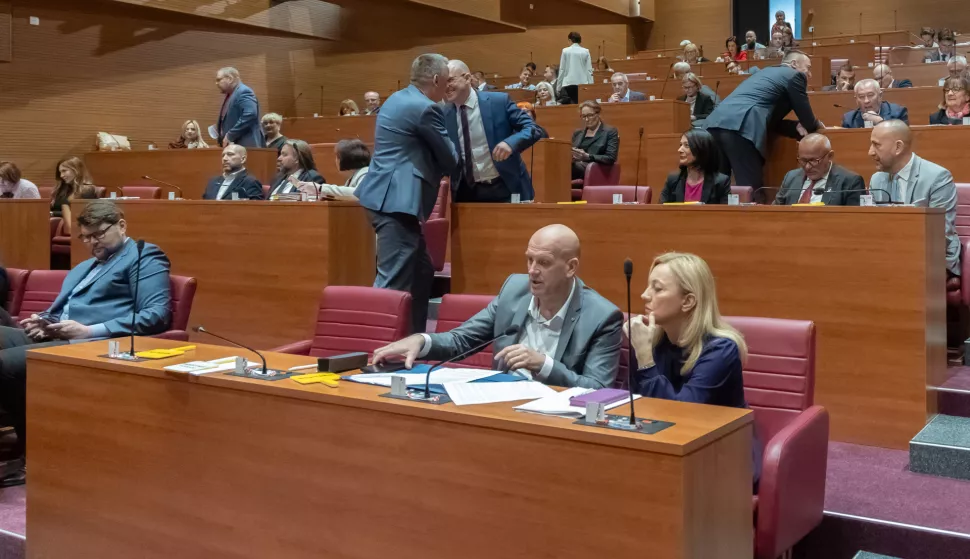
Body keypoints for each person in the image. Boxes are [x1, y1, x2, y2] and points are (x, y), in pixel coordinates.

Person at [0, 200, 172, 486]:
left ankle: (36, 448)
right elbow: (61, 309)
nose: (91, 242)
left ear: (121, 225)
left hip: (95, 343)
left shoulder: (143, 255)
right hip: (59, 335)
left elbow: (156, 315)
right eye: (85, 236)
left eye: (98, 234)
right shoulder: (84, 266)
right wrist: (43, 320)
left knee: (6, 365)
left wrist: (88, 331)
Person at [371, 224, 622, 389]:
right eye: (529, 259)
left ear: (571, 267)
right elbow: (462, 339)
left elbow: (598, 389)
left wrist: (543, 364)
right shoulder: (515, 290)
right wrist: (421, 341)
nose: (532, 271)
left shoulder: (602, 316)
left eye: (544, 262)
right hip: (501, 406)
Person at [624, 252, 760, 482]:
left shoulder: (722, 350)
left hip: (720, 452)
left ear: (688, 301)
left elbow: (682, 416)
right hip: (665, 445)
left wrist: (645, 358)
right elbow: (634, 403)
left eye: (657, 289)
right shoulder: (651, 340)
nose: (644, 295)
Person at [354, 53, 457, 334]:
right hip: (397, 202)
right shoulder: (426, 108)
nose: (448, 86)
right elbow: (451, 158)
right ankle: (370, 348)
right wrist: (449, 109)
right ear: (436, 79)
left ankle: (415, 341)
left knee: (422, 271)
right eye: (447, 80)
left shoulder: (398, 98)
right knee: (392, 281)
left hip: (386, 198)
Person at [706, 51, 821, 202]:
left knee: (719, 187)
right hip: (740, 127)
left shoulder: (765, 73)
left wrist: (793, 127)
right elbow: (808, 121)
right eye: (808, 67)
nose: (810, 74)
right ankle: (755, 224)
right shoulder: (794, 76)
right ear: (794, 64)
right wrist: (817, 125)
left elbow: (768, 118)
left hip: (713, 124)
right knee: (750, 190)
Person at [869, 120, 959, 277]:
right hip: (890, 256)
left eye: (876, 145)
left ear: (898, 147)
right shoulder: (877, 179)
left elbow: (940, 235)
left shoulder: (937, 177)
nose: (870, 152)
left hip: (935, 257)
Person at [443, 60, 540, 203]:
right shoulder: (444, 114)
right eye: (443, 82)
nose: (446, 86)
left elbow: (532, 128)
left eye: (450, 80)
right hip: (467, 193)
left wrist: (510, 143)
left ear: (468, 78)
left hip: (506, 187)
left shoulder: (498, 102)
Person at [774, 133, 864, 205]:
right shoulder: (791, 177)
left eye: (813, 160)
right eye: (803, 160)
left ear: (830, 156)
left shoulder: (850, 182)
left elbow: (854, 221)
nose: (807, 167)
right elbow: (774, 213)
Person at [660, 129, 730, 204]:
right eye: (680, 145)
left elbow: (726, 214)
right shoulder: (673, 180)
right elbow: (660, 211)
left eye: (686, 145)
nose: (679, 150)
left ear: (702, 150)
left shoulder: (720, 182)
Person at [215, 67, 263, 148]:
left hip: (245, 145)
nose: (216, 83)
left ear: (230, 79)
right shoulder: (231, 95)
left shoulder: (244, 91)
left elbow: (250, 114)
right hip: (235, 146)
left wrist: (230, 134)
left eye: (219, 80)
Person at [571, 101, 619, 181]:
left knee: (567, 168)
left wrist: (588, 156)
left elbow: (610, 158)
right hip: (577, 166)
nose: (586, 119)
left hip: (595, 168)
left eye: (590, 115)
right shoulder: (578, 133)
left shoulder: (610, 132)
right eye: (583, 116)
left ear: (598, 114)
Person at [51, 156, 95, 235]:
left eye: (64, 171)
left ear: (76, 170)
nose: (61, 175)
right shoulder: (63, 189)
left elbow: (77, 214)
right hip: (57, 227)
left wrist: (53, 214)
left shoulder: (87, 190)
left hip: (75, 230)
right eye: (60, 172)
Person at [841, 79, 908, 128]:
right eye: (861, 97)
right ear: (856, 100)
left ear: (880, 96)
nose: (866, 101)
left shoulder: (898, 112)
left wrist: (880, 122)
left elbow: (903, 137)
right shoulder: (849, 120)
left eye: (870, 95)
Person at [557, 31, 594, 105]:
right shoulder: (586, 51)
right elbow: (589, 70)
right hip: (582, 83)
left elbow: (562, 69)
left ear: (570, 40)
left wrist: (558, 86)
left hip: (568, 83)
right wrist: (591, 85)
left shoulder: (565, 51)